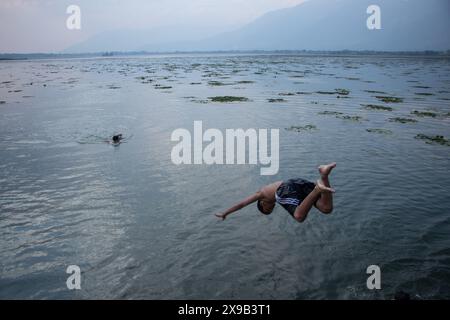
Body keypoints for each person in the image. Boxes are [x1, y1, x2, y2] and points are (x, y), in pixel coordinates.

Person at [215, 163, 336, 223]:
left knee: (299, 216)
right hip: (298, 184)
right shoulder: (275, 196)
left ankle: (317, 189)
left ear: (262, 203)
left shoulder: (261, 194)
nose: (271, 207)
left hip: (286, 187)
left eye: (268, 209)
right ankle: (324, 175)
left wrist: (226, 213)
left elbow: (241, 204)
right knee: (326, 208)